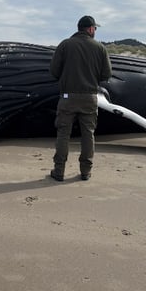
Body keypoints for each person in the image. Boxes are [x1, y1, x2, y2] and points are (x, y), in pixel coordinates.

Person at [49, 15, 112, 181]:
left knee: (63, 134)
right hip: (90, 97)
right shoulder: (100, 48)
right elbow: (107, 74)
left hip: (67, 97)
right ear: (90, 29)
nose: (95, 31)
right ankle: (85, 171)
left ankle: (59, 171)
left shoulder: (64, 45)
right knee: (88, 135)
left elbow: (54, 72)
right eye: (95, 29)